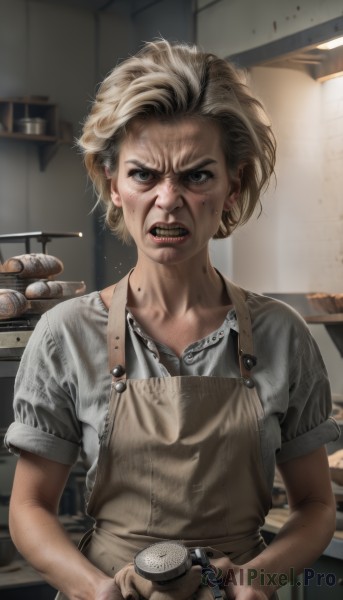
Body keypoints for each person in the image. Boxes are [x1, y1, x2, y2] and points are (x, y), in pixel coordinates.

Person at [5, 39, 340, 600]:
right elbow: (30, 508)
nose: (168, 199)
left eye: (196, 176)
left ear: (233, 187)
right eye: (144, 176)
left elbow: (314, 506)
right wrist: (95, 590)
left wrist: (260, 579)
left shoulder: (283, 334)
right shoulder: (65, 333)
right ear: (113, 184)